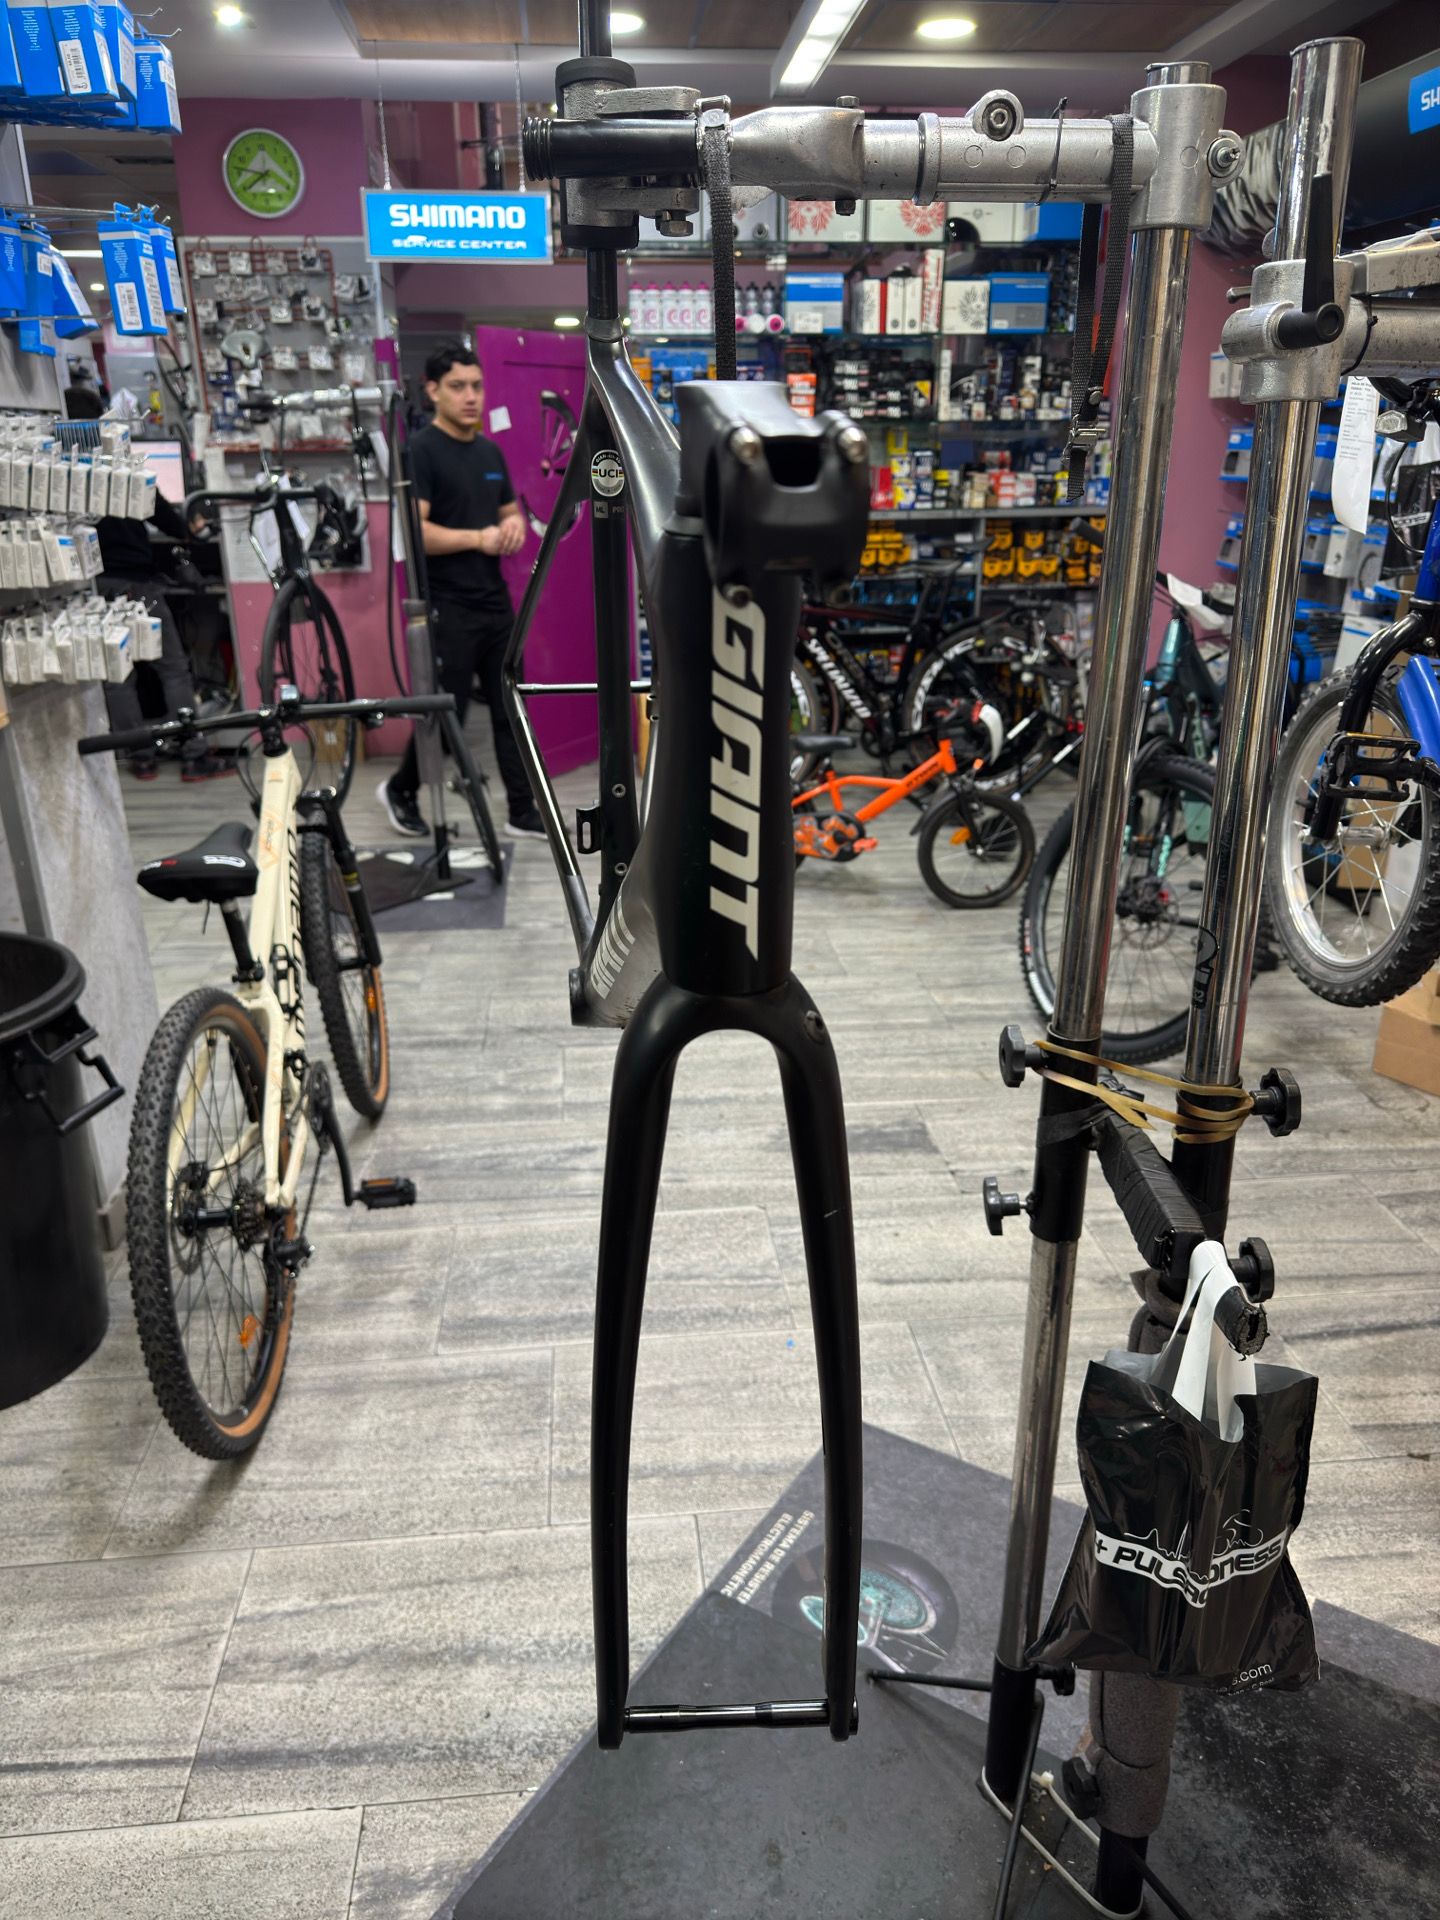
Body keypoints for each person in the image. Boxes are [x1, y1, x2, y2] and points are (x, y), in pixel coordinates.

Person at [378, 344, 544, 839]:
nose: (471, 397)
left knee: (511, 708)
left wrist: (513, 528)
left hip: (495, 601)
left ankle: (521, 810)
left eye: (476, 386)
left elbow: (509, 512)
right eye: (457, 387)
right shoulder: (422, 451)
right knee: (448, 717)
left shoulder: (489, 452)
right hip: (448, 605)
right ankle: (401, 789)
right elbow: (417, 532)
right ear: (432, 391)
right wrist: (479, 538)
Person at [65, 386, 229, 781]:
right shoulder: (119, 465)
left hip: (93, 585)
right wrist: (189, 528)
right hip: (137, 583)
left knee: (118, 674)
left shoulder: (63, 469)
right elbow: (162, 514)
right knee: (172, 667)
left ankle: (140, 757)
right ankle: (194, 755)